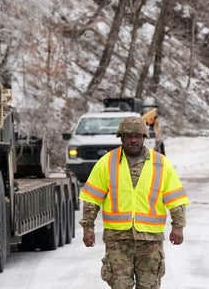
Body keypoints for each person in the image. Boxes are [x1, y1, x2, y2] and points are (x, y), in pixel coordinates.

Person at [80, 115, 189, 289]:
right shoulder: (107, 162)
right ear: (122, 138)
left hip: (150, 241)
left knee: (149, 286)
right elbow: (91, 199)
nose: (133, 140)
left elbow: (175, 199)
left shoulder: (160, 163)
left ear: (143, 137)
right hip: (118, 239)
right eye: (129, 136)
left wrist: (178, 226)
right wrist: (88, 228)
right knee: (120, 286)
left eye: (137, 136)